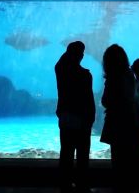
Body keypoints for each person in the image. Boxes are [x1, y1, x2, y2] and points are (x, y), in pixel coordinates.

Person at [55, 41, 95, 193]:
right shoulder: (85, 75)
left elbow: (61, 62)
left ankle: (64, 184)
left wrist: (72, 50)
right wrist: (92, 117)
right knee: (83, 153)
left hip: (66, 116)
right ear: (81, 56)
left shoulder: (61, 71)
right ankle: (82, 184)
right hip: (83, 118)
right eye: (81, 52)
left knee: (66, 151)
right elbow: (89, 99)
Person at [100, 44, 139, 188]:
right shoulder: (129, 74)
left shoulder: (113, 77)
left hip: (116, 121)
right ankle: (128, 184)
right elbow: (131, 97)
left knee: (117, 156)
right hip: (130, 119)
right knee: (128, 154)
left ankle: (119, 185)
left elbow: (106, 101)